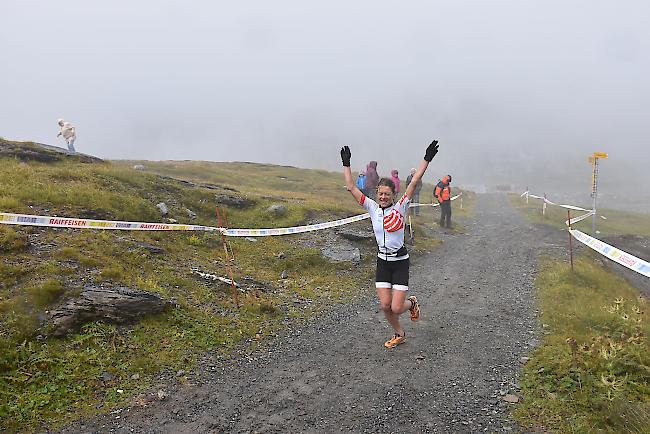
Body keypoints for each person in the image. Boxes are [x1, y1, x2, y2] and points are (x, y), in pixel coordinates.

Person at [340, 140, 439, 348]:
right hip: (382, 262)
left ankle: (411, 303)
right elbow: (350, 187)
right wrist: (346, 164)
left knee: (395, 307)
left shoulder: (401, 207)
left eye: (387, 194)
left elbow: (414, 182)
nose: (383, 197)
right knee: (385, 306)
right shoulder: (372, 208)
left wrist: (426, 158)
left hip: (400, 262)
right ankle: (399, 333)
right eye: (381, 194)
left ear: (393, 195)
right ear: (377, 195)